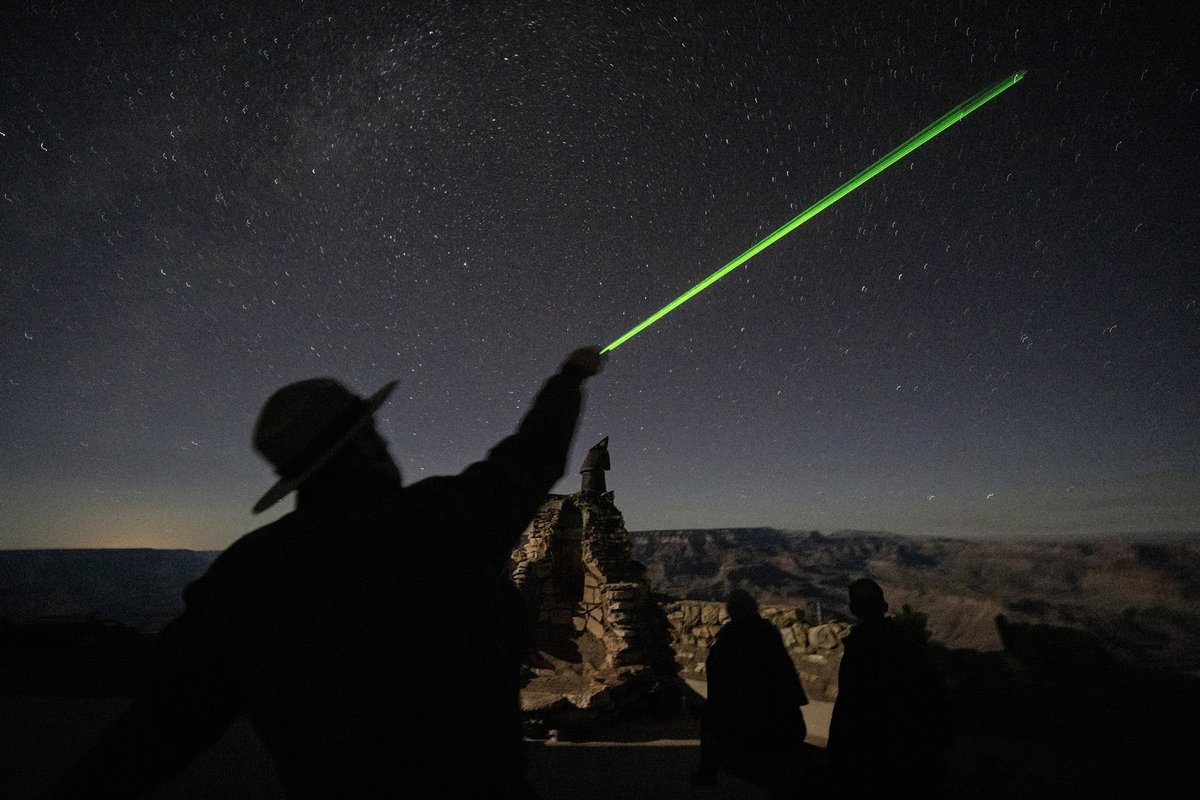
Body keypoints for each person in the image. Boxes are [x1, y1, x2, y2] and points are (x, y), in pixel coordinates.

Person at [50, 347, 603, 799]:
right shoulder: (444, 519)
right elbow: (533, 454)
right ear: (362, 442)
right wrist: (568, 378)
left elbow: (157, 730)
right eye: (375, 431)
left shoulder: (246, 575)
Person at [826, 578, 952, 799]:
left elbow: (848, 710)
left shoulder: (859, 651)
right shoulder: (909, 647)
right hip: (914, 760)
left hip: (875, 763)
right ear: (884, 608)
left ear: (853, 610)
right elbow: (936, 701)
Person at [692, 589, 809, 797]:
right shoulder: (769, 632)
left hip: (748, 725)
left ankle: (707, 773)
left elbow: (721, 686)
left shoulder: (730, 638)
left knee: (708, 720)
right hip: (786, 721)